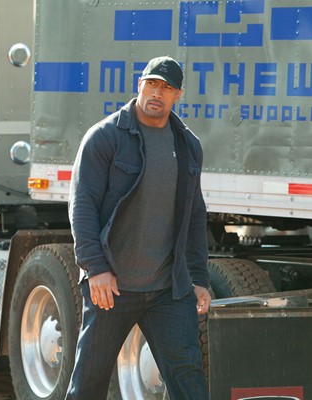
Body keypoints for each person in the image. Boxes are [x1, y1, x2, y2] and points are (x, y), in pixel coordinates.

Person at [66, 56, 211, 399]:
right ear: (139, 85)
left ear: (177, 95)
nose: (157, 93)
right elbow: (82, 206)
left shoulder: (188, 145)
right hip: (112, 287)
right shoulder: (105, 137)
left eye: (167, 88)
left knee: (189, 380)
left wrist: (199, 278)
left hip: (167, 289)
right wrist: (95, 268)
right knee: (88, 383)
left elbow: (194, 215)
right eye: (152, 84)